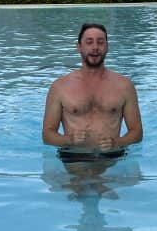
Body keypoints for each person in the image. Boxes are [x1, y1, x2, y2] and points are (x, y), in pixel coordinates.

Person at [43, 23, 143, 162]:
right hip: (73, 156)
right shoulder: (60, 87)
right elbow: (47, 135)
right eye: (89, 42)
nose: (95, 47)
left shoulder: (124, 86)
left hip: (113, 155)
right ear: (79, 47)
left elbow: (137, 133)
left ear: (107, 47)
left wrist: (117, 143)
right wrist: (69, 139)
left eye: (100, 42)